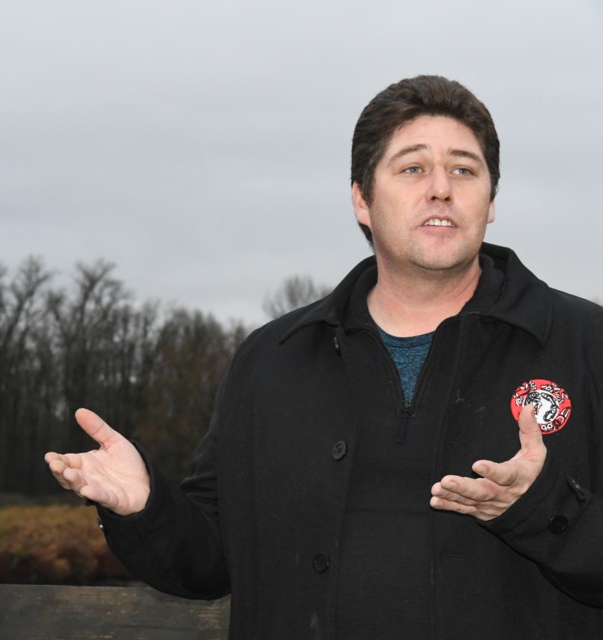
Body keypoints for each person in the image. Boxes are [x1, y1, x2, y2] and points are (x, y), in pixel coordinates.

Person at [45, 76, 603, 638]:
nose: (441, 188)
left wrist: (548, 510)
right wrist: (146, 506)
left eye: (464, 169)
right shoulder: (273, 359)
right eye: (412, 168)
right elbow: (211, 560)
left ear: (491, 201)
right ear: (362, 199)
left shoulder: (584, 344)